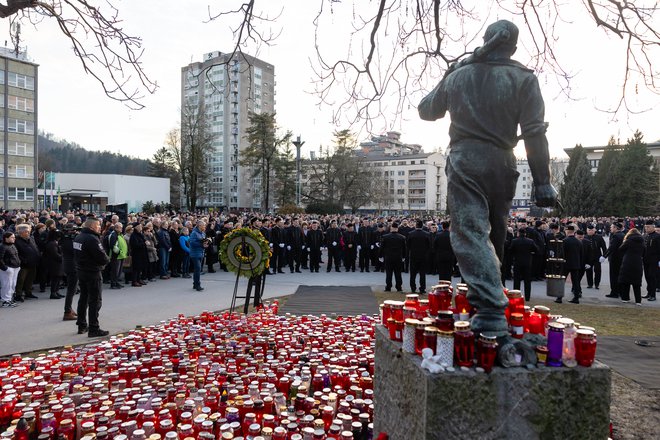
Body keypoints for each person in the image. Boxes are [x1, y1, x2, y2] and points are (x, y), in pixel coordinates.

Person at [418, 19, 557, 337]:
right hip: (502, 162)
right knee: (493, 238)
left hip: (467, 160)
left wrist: (448, 74)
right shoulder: (523, 77)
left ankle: (491, 312)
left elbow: (426, 109)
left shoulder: (460, 75)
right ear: (513, 47)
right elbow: (534, 132)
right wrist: (542, 181)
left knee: (471, 235)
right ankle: (486, 304)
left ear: (486, 40)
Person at [74, 217, 111, 337]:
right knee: (95, 301)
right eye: (98, 225)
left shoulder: (79, 236)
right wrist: (106, 260)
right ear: (92, 226)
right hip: (92, 271)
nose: (100, 227)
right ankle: (94, 328)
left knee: (83, 298)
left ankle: (81, 324)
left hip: (81, 270)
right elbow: (102, 256)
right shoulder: (92, 239)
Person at [508, 228, 539, 301]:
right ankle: (527, 297)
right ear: (525, 233)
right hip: (527, 262)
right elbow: (536, 249)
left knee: (516, 280)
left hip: (517, 262)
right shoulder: (530, 241)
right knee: (527, 281)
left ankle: (516, 296)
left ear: (519, 233)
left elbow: (510, 250)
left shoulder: (514, 241)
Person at [14, 224, 41, 302]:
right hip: (23, 265)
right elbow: (17, 253)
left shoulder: (31, 238)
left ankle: (28, 292)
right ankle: (18, 295)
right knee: (21, 280)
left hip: (33, 263)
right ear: (21, 233)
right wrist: (24, 261)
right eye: (26, 232)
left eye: (29, 231)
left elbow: (35, 248)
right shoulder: (17, 241)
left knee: (30, 279)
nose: (28, 233)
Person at [618, 228, 645, 305]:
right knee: (636, 283)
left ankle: (625, 298)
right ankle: (638, 300)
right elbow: (644, 252)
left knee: (625, 281)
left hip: (628, 261)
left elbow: (620, 249)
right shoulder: (642, 241)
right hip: (638, 262)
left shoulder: (628, 240)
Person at [380, 222, 407, 293]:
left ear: (391, 228)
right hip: (398, 258)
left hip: (388, 257)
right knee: (398, 273)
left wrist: (380, 256)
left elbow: (381, 248)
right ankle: (399, 287)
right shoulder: (402, 237)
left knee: (389, 273)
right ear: (397, 229)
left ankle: (388, 287)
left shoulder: (385, 237)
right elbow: (404, 249)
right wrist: (404, 256)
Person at [407, 219, 431, 294]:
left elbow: (408, 245)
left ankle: (413, 288)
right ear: (422, 226)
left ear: (416, 225)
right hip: (423, 256)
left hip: (413, 256)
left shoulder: (410, 234)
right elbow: (429, 245)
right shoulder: (427, 234)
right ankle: (422, 288)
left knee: (413, 274)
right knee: (422, 274)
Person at [60, 224, 79, 320]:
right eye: (73, 230)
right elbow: (75, 251)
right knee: (71, 290)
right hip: (71, 267)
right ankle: (67, 311)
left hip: (70, 265)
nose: (75, 232)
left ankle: (69, 309)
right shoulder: (67, 241)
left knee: (72, 290)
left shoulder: (66, 240)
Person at [562, 225, 584, 304]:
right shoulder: (579, 241)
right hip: (576, 264)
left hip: (566, 263)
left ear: (567, 231)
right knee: (576, 282)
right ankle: (576, 298)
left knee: (562, 281)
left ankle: (559, 297)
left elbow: (562, 253)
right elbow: (581, 254)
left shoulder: (564, 241)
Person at [603, 222, 625, 299]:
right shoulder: (622, 234)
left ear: (616, 228)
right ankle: (619, 291)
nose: (610, 228)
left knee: (614, 276)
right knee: (619, 275)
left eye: (612, 227)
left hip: (615, 258)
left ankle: (614, 292)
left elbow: (612, 247)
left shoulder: (616, 236)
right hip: (621, 258)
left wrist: (604, 256)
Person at [0, 232, 21, 308]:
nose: (14, 238)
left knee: (12, 284)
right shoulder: (2, 246)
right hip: (8, 268)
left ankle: (9, 299)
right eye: (12, 237)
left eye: (14, 237)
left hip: (15, 267)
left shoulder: (12, 245)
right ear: (6, 238)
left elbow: (16, 256)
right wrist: (5, 268)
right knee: (6, 285)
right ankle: (5, 300)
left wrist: (19, 265)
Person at [42, 229, 65, 299]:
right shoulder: (52, 243)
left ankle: (56, 291)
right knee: (55, 279)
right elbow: (55, 254)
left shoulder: (53, 242)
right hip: (54, 263)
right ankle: (53, 293)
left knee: (58, 278)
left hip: (56, 263)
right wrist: (62, 258)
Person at [585, 224, 607, 289]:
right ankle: (590, 284)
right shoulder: (585, 237)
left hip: (597, 257)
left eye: (592, 230)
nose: (590, 231)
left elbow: (604, 247)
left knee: (597, 271)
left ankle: (597, 284)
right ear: (587, 231)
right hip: (588, 257)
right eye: (589, 230)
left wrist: (604, 256)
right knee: (588, 270)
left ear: (594, 230)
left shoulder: (599, 237)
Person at [642, 220, 659, 302]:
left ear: (653, 227)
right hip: (645, 260)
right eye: (645, 227)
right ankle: (649, 293)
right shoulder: (645, 236)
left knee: (652, 277)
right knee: (647, 277)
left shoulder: (657, 236)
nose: (646, 228)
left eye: (648, 227)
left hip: (654, 260)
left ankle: (653, 295)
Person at [189, 219, 207, 291]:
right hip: (195, 253)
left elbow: (204, 241)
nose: (205, 226)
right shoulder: (194, 233)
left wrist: (206, 243)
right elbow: (192, 243)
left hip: (201, 252)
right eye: (204, 225)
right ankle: (197, 285)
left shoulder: (203, 233)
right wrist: (202, 244)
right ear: (200, 226)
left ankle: (195, 284)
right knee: (198, 269)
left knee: (197, 269)